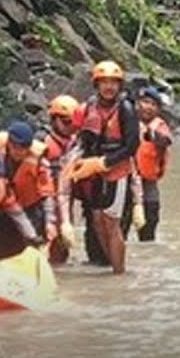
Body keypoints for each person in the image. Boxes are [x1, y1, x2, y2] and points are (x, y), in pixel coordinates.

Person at [61, 60, 140, 274]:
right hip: (92, 173)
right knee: (96, 221)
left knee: (111, 224)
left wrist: (103, 163)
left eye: (113, 83)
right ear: (96, 85)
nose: (109, 87)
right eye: (104, 82)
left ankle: (119, 272)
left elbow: (132, 146)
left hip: (115, 172)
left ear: (119, 86)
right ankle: (109, 266)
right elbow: (79, 137)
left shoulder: (126, 109)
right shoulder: (89, 108)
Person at [0, 121, 57, 260]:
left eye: (24, 148)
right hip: (4, 209)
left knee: (34, 247)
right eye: (15, 147)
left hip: (31, 207)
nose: (19, 152)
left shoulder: (39, 160)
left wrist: (50, 222)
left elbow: (47, 193)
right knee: (5, 251)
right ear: (8, 143)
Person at [123, 86, 171, 242]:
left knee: (148, 236)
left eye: (153, 104)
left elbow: (166, 139)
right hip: (125, 182)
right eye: (145, 102)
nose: (148, 107)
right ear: (136, 103)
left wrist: (151, 134)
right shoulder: (126, 122)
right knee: (120, 230)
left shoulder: (159, 126)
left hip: (148, 185)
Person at [44, 95, 81, 264]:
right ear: (54, 120)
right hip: (46, 199)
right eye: (66, 122)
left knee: (63, 245)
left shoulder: (76, 144)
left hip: (66, 198)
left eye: (73, 122)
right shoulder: (45, 144)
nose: (70, 127)